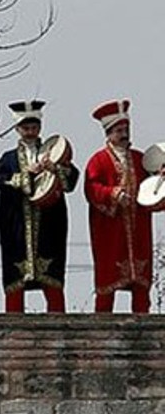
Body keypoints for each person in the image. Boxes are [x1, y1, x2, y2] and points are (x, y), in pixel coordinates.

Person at [0, 99, 77, 313]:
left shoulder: (54, 152)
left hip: (50, 223)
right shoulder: (8, 159)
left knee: (52, 276)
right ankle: (12, 328)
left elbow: (71, 182)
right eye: (26, 128)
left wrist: (56, 169)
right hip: (18, 225)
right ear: (17, 129)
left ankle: (59, 324)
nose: (30, 132)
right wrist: (27, 174)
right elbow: (3, 182)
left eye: (34, 127)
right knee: (16, 278)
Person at [83, 99, 152, 313]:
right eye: (119, 130)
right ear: (109, 133)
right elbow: (91, 188)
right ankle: (99, 334)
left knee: (141, 285)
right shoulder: (99, 160)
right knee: (107, 283)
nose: (124, 134)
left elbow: (153, 188)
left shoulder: (141, 159)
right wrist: (112, 194)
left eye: (126, 129)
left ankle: (144, 333)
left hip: (138, 228)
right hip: (110, 231)